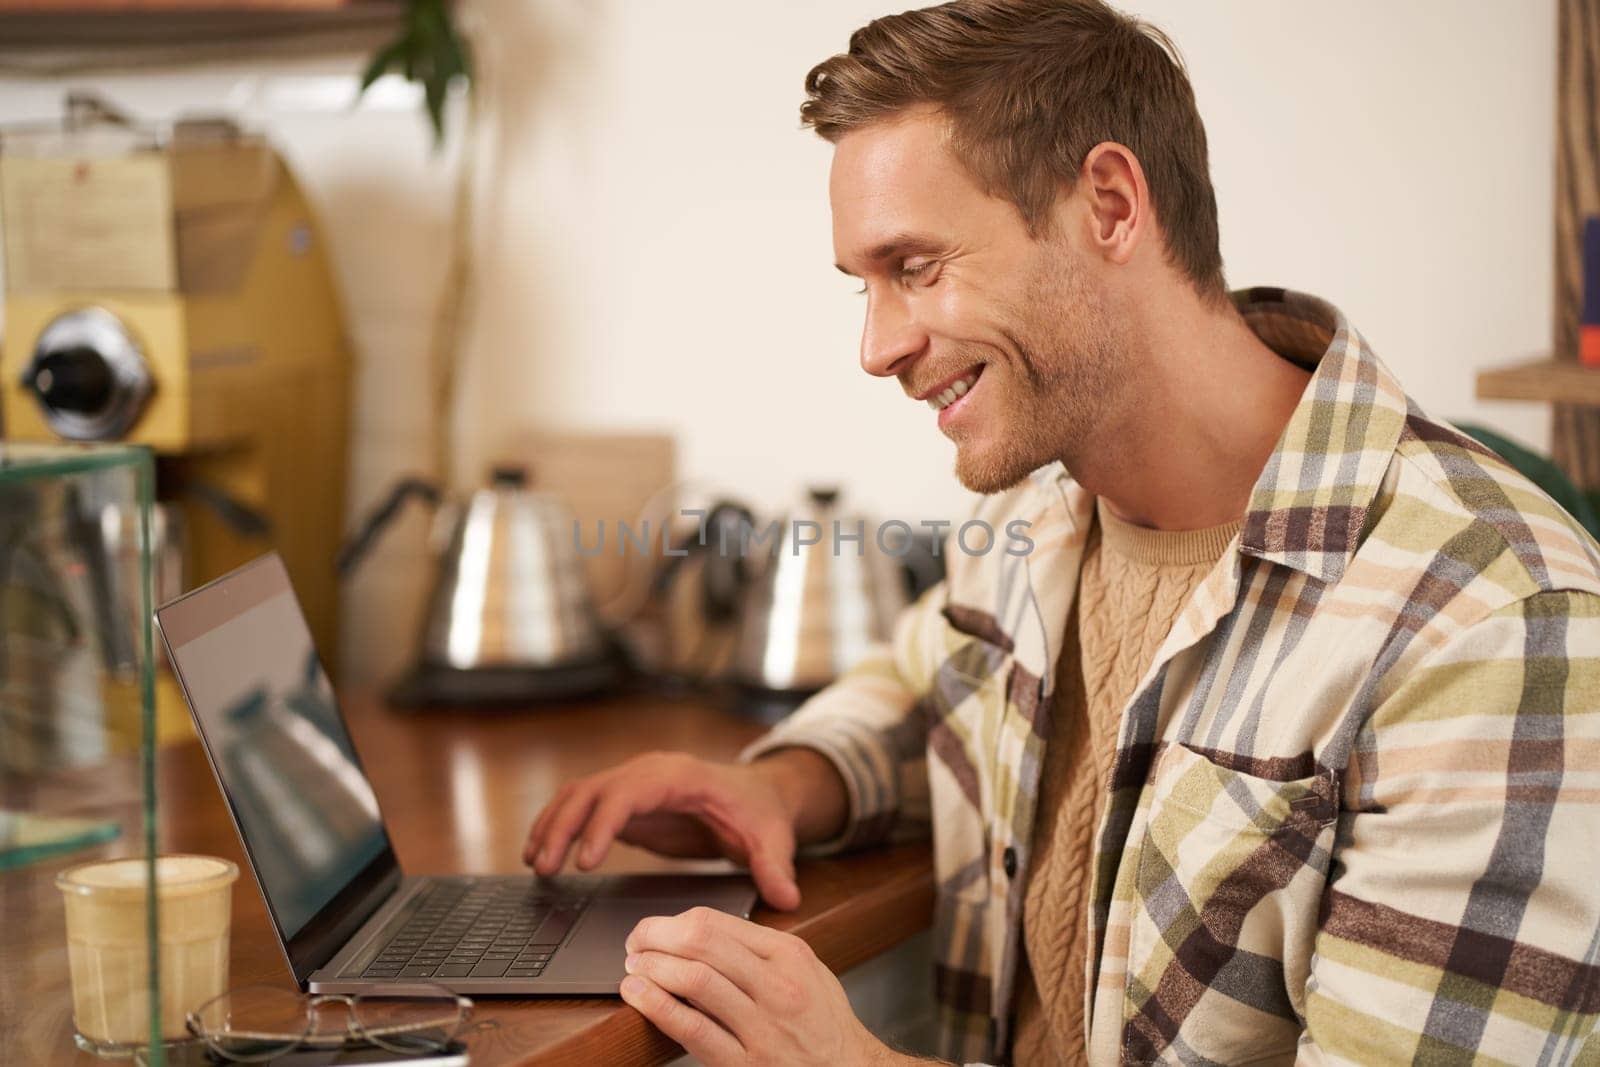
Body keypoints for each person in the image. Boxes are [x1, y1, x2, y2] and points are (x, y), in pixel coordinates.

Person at [523, 2, 1600, 1063]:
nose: (876, 345)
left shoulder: (1495, 624)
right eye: (864, 285)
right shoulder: (1038, 512)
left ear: (1111, 205)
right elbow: (930, 683)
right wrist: (781, 784)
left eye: (916, 267)